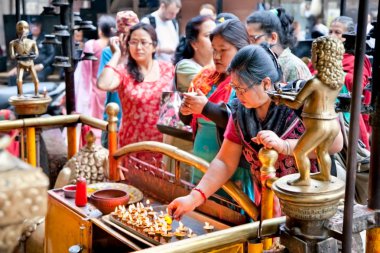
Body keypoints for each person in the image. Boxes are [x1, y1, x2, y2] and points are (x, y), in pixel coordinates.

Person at [168, 44, 343, 220]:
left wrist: (285, 146)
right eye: (234, 88)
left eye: (241, 89)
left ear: (266, 83)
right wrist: (194, 198)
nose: (237, 95)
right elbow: (225, 161)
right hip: (269, 203)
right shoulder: (240, 111)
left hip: (313, 203)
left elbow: (334, 143)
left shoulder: (300, 98)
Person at [179, 19, 253, 203]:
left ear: (241, 49)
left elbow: (240, 123)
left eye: (223, 50)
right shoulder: (206, 77)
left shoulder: (247, 83)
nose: (217, 56)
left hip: (231, 168)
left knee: (227, 216)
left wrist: (204, 107)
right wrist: (185, 110)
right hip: (201, 161)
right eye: (214, 49)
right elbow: (189, 120)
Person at [97, 23, 174, 162]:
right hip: (132, 145)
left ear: (154, 46)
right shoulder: (123, 71)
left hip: (162, 146)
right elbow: (103, 84)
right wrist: (116, 55)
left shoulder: (168, 69)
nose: (138, 47)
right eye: (133, 42)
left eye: (144, 42)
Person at [273, 36, 344, 186]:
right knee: (322, 152)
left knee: (299, 152)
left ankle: (304, 179)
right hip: (332, 124)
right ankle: (325, 175)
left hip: (318, 125)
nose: (311, 56)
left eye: (313, 52)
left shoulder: (314, 82)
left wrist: (279, 99)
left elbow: (295, 103)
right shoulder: (338, 80)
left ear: (319, 56)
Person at [97, 11, 139, 148]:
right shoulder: (109, 53)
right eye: (125, 35)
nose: (128, 40)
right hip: (115, 115)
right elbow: (105, 83)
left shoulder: (140, 51)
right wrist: (118, 56)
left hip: (138, 117)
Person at [329, 16, 372, 149]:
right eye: (330, 32)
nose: (331, 36)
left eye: (337, 32)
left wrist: (334, 73)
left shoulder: (355, 60)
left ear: (348, 37)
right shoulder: (324, 56)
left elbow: (358, 86)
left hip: (346, 118)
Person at [74, 15, 116, 144]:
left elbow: (85, 72)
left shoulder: (92, 45)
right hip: (111, 87)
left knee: (93, 124)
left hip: (94, 89)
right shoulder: (116, 47)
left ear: (100, 31)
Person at [246, 8, 312, 82]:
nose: (250, 45)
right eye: (248, 39)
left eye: (254, 39)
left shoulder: (293, 67)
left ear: (273, 38)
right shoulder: (259, 65)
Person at [8, 17, 55, 92]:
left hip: (43, 66)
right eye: (33, 25)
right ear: (29, 27)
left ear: (40, 26)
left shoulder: (46, 38)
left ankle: (37, 99)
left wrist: (41, 65)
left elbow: (52, 55)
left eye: (37, 25)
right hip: (28, 64)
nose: (35, 28)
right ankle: (17, 96)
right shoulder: (26, 38)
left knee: (38, 77)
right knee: (14, 76)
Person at [174, 15, 216, 92]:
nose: (215, 39)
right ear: (194, 43)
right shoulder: (184, 66)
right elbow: (213, 90)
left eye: (216, 34)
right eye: (208, 35)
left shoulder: (220, 64)